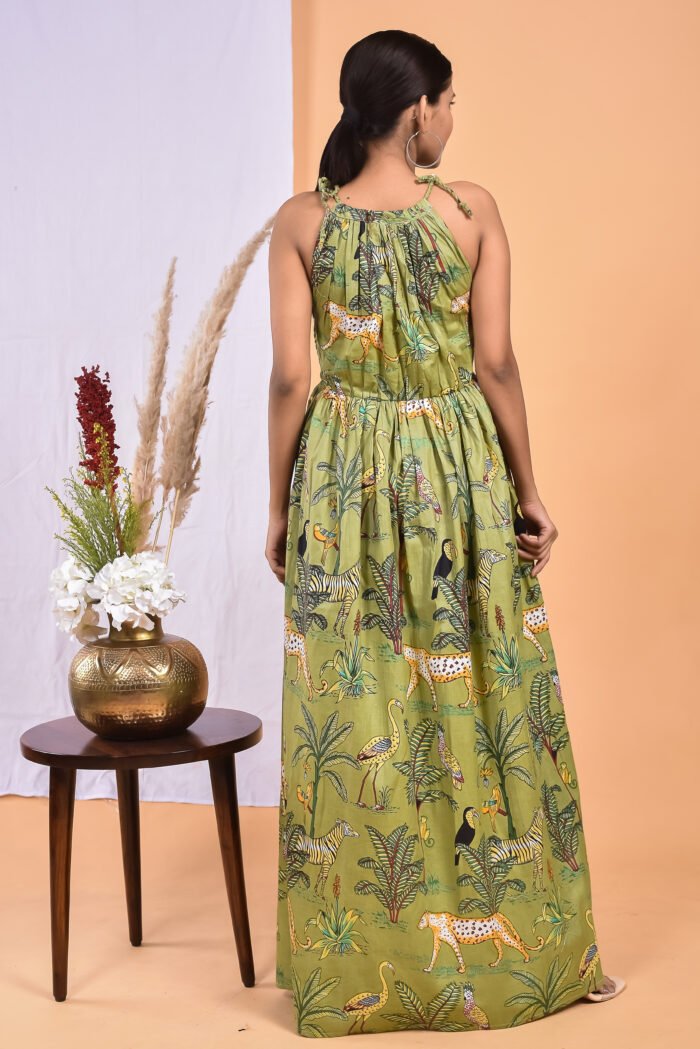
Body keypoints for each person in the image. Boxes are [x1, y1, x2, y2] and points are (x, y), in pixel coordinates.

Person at [266, 28, 625, 1038]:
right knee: (492, 680)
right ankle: (545, 953)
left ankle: (355, 966)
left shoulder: (299, 224)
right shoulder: (469, 212)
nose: (453, 118)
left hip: (342, 474)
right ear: (417, 110)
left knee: (356, 688)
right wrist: (528, 485)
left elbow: (292, 379)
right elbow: (497, 361)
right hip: (458, 469)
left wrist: (280, 503)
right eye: (450, 100)